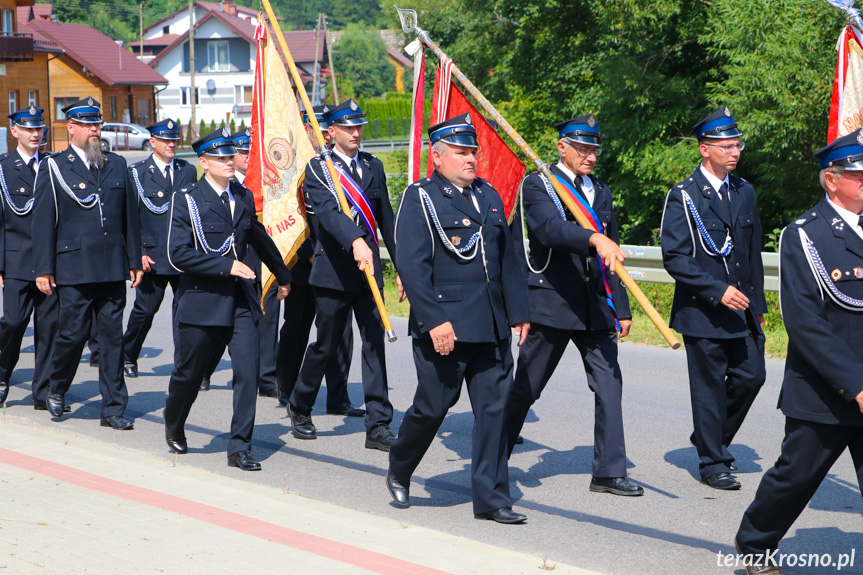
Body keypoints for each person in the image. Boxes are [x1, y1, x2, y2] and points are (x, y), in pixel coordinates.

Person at [387, 113, 531, 523]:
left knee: (494, 412)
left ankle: (491, 499)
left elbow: (508, 260)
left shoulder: (487, 195)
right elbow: (412, 266)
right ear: (438, 155)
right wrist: (434, 319)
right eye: (461, 152)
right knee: (434, 407)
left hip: (490, 325)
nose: (471, 158)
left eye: (473, 151)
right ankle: (400, 464)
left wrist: (519, 313)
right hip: (445, 326)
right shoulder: (422, 197)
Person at [733, 130, 863, 575]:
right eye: (860, 176)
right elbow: (807, 324)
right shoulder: (804, 236)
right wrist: (857, 385)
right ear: (832, 180)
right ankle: (755, 545)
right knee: (796, 477)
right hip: (825, 393)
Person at [505, 114, 642, 496]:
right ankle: (495, 453)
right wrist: (593, 238)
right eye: (582, 148)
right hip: (551, 302)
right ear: (561, 147)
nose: (590, 157)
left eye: (594, 149)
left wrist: (623, 306)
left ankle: (608, 472)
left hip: (596, 306)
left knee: (609, 386)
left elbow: (610, 253)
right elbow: (548, 230)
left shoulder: (601, 190)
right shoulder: (539, 185)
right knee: (526, 388)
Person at [163, 129, 291, 471]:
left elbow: (256, 235)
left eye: (230, 156)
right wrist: (226, 265)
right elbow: (178, 254)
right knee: (188, 375)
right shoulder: (188, 198)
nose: (229, 162)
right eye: (220, 158)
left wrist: (283, 273)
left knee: (247, 374)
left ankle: (239, 448)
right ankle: (174, 420)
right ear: (203, 162)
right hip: (203, 302)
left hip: (242, 302)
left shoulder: (243, 195)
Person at [660, 106, 767, 490]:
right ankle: (713, 461)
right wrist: (717, 291)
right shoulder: (684, 196)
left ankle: (710, 435)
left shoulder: (744, 191)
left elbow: (751, 253)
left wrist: (760, 307)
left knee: (752, 376)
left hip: (744, 310)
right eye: (726, 146)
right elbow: (674, 257)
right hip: (703, 311)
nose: (734, 152)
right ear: (705, 149)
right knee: (707, 387)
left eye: (737, 145)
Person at [287, 99, 396, 451]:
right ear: (330, 131)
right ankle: (300, 404)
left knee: (374, 345)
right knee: (325, 345)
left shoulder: (372, 166)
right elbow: (330, 217)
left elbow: (387, 222)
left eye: (359, 126)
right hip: (333, 272)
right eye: (348, 127)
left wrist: (403, 270)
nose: (355, 132)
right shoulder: (319, 169)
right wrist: (356, 242)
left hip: (369, 274)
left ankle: (378, 423)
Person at [32, 97, 142, 428]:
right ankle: (57, 386)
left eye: (97, 124)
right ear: (72, 128)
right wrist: (43, 268)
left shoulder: (117, 164)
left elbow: (130, 218)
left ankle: (113, 409)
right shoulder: (54, 166)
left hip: (111, 267)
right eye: (87, 124)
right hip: (74, 267)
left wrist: (134, 260)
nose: (95, 130)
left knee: (112, 340)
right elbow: (42, 222)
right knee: (71, 335)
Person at [275, 105, 359, 414]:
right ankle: (286, 385)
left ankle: (338, 397)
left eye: (327, 129)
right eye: (318, 129)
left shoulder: (337, 166)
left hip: (335, 262)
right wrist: (307, 253)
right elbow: (288, 219)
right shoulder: (295, 167)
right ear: (307, 131)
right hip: (303, 262)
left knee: (339, 333)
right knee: (297, 326)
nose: (323, 135)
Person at [122, 119, 197, 378]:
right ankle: (128, 355)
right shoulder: (138, 173)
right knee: (145, 310)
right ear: (152, 142)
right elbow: (131, 217)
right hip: (151, 256)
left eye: (174, 139)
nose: (171, 144)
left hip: (182, 255)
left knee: (185, 312)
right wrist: (137, 252)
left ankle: (184, 364)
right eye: (165, 140)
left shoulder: (188, 171)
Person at [0, 106, 58, 409]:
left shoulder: (53, 165)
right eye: (29, 129)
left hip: (50, 263)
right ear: (15, 132)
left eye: (39, 129)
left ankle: (43, 391)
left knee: (49, 328)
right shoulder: (3, 168)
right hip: (16, 260)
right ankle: (1, 374)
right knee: (13, 322)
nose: (36, 134)